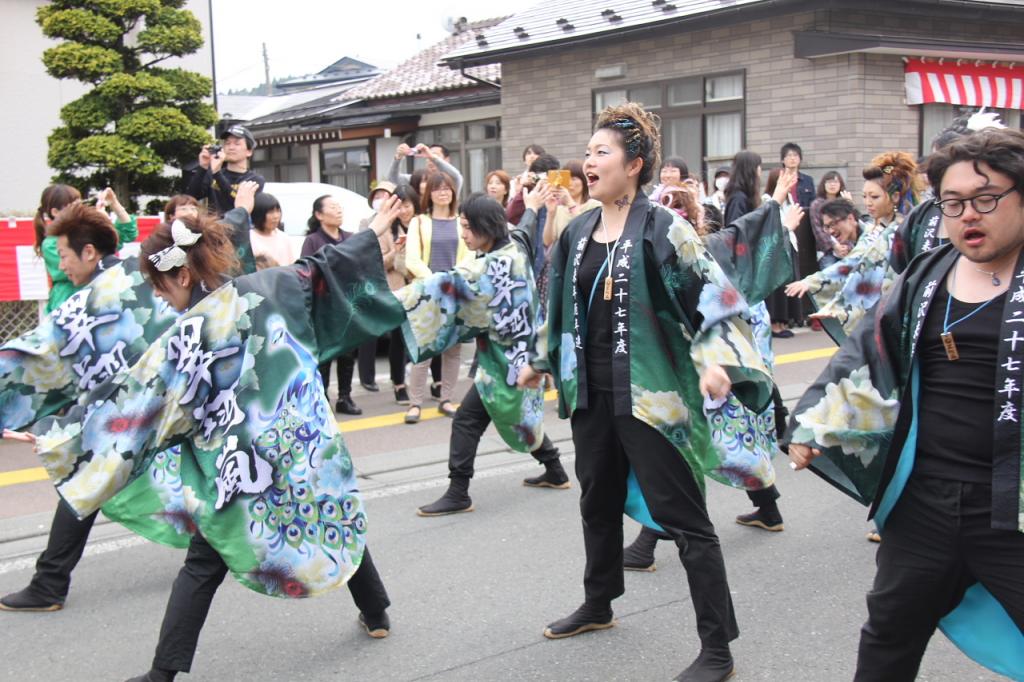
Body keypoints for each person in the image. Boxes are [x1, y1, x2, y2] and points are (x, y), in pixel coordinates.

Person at [25, 195, 408, 681]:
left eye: (159, 287)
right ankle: (376, 613)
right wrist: (371, 230)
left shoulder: (187, 338)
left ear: (182, 275)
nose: (158, 298)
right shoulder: (267, 287)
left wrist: (60, 437)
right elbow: (327, 266)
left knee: (203, 563)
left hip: (239, 470)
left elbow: (136, 409)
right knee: (321, 509)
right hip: (300, 447)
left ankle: (163, 673)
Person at [519, 102, 782, 682]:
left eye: (602, 152)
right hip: (591, 395)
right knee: (596, 501)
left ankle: (718, 646)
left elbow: (718, 300)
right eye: (587, 152)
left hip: (653, 400)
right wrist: (540, 361)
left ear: (634, 164)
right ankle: (599, 601)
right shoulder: (579, 231)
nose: (589, 161)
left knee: (686, 523)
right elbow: (556, 303)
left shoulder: (666, 228)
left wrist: (716, 362)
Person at [785, 127, 1024, 682]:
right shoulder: (927, 274)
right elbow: (867, 349)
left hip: (1012, 506)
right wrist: (812, 421)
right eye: (954, 203)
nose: (970, 215)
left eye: (987, 199)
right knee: (889, 631)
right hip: (925, 501)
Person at [0, 185, 261, 615]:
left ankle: (51, 582)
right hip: (139, 407)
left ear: (87, 252)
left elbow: (33, 352)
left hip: (146, 406)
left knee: (93, 476)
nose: (60, 265)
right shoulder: (127, 275)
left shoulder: (111, 287)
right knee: (95, 476)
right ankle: (52, 579)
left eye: (63, 256)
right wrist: (241, 213)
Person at [413, 190, 572, 516]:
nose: (463, 233)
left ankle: (459, 492)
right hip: (523, 360)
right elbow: (524, 229)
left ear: (487, 226)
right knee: (520, 418)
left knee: (467, 421)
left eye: (468, 227)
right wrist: (530, 207)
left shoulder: (487, 269)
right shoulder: (515, 249)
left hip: (502, 366)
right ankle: (555, 471)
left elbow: (441, 292)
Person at [785, 152, 919, 344]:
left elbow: (856, 263)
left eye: (874, 196)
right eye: (864, 196)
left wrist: (813, 282)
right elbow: (854, 261)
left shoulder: (897, 230)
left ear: (895, 196)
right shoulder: (877, 229)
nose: (868, 203)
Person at [404, 172, 471, 422]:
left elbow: (470, 255)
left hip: (456, 292)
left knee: (453, 350)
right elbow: (412, 259)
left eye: (447, 188)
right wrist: (435, 280)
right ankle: (415, 403)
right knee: (424, 351)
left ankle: (446, 398)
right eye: (437, 188)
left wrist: (453, 278)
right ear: (428, 194)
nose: (443, 192)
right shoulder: (419, 222)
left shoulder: (461, 221)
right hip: (428, 292)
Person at [302, 195, 362, 415]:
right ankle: (323, 398)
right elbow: (306, 272)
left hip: (347, 303)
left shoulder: (350, 237)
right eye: (333, 207)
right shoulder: (313, 240)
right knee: (325, 356)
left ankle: (345, 397)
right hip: (324, 305)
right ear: (319, 215)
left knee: (348, 354)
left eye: (339, 207)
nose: (338, 211)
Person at [35, 184, 138, 313]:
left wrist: (114, 204)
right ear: (55, 212)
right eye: (74, 206)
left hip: (95, 297)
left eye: (80, 204)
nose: (80, 210)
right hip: (68, 298)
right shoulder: (51, 244)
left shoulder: (85, 235)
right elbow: (80, 268)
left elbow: (127, 233)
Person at [357, 181, 399, 392]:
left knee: (398, 334)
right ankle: (367, 377)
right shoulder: (367, 223)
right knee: (370, 332)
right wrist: (395, 254)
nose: (381, 199)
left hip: (400, 283)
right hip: (375, 282)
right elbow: (368, 255)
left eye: (386, 195)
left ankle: (398, 378)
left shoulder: (401, 222)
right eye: (378, 195)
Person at [378, 184, 418, 405]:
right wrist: (397, 250)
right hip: (396, 289)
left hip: (419, 285)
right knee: (398, 339)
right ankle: (399, 384)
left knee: (423, 334)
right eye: (399, 206)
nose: (404, 210)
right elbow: (380, 262)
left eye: (408, 205)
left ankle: (435, 382)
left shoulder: (421, 225)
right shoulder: (385, 230)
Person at [185, 124, 265, 216]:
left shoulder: (254, 180)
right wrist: (203, 167)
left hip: (237, 228)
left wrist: (217, 174)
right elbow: (190, 198)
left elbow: (238, 204)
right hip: (212, 228)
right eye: (227, 143)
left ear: (249, 151)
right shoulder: (212, 174)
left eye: (237, 143)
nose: (231, 147)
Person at [809, 171, 852, 267]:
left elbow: (852, 226)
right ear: (823, 185)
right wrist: (834, 246)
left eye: (836, 182)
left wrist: (849, 204)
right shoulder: (817, 204)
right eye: (829, 182)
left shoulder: (843, 202)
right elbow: (817, 229)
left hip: (847, 249)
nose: (832, 185)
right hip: (827, 252)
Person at [388, 142, 464, 195]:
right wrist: (398, 158)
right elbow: (393, 178)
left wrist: (433, 157)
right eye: (427, 156)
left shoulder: (450, 179)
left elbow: (456, 176)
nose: (429, 159)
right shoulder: (418, 178)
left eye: (435, 155)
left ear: (447, 159)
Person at [249, 192, 298, 269]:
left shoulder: (284, 238)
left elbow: (293, 266)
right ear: (258, 214)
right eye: (271, 212)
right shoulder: (249, 238)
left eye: (278, 211)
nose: (276, 216)